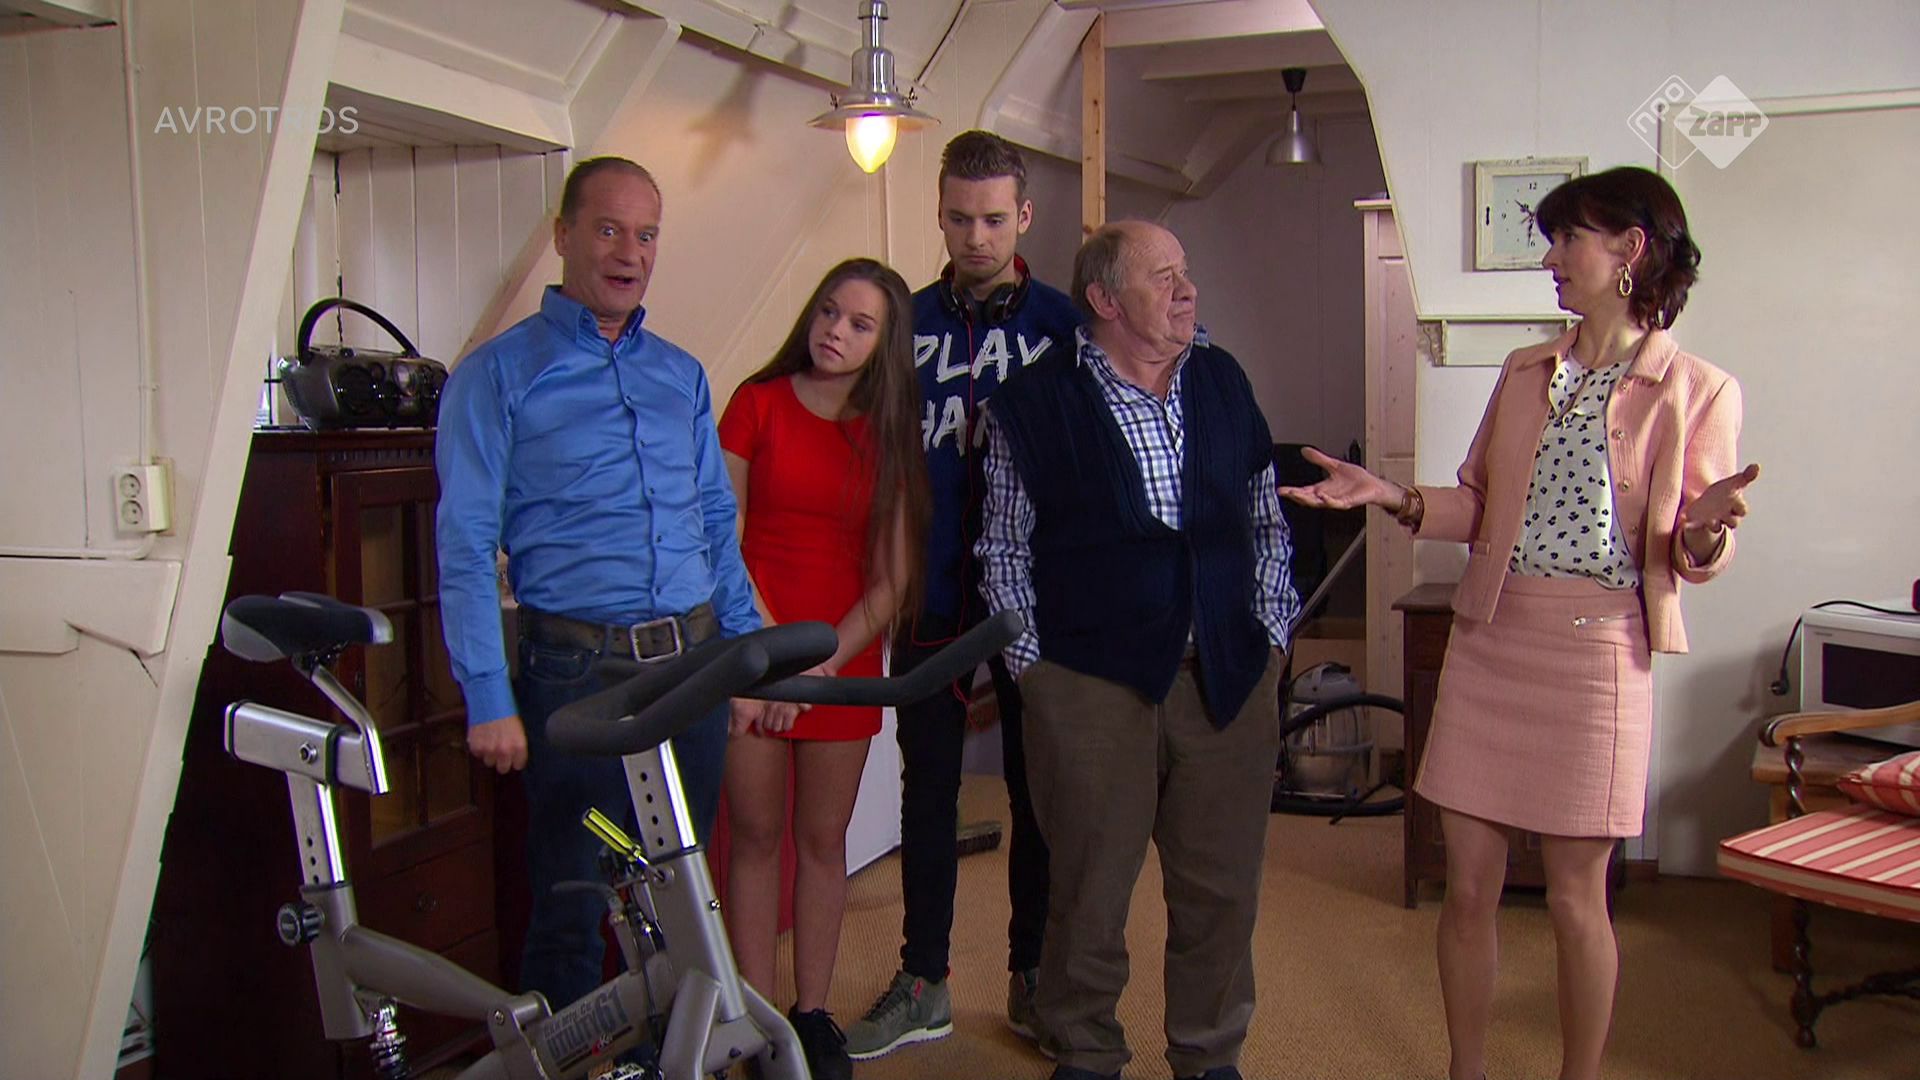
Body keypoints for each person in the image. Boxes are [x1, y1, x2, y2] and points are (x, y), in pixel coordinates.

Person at [1280, 166, 1757, 1080]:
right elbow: (1478, 503)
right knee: (1467, 889)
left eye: (1568, 238)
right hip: (1492, 638)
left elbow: (1696, 546)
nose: (1551, 259)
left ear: (1631, 249)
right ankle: (1466, 1069)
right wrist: (1390, 495)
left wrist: (1702, 530)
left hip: (1598, 655)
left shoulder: (1698, 389)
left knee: (1578, 898)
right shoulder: (1526, 371)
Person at [434, 157, 765, 1015]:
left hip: (694, 664)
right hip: (579, 675)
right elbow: (464, 547)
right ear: (563, 235)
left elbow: (712, 521)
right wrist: (487, 696)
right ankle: (567, 1066)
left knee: (682, 901)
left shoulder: (680, 374)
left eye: (646, 235)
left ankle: (668, 1064)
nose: (630, 253)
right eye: (609, 230)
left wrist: (747, 653)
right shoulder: (496, 375)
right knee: (576, 902)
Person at [978, 219, 1300, 1080]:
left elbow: (1266, 517)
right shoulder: (1033, 404)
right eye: (1164, 277)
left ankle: (1209, 1054)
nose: (1187, 290)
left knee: (1221, 888)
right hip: (1089, 683)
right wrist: (1038, 676)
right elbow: (1003, 551)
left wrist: (1272, 634)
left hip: (1228, 674)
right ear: (1105, 299)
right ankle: (1085, 1048)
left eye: (1185, 272)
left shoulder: (1222, 380)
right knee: (1088, 887)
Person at [845, 130, 1080, 1061]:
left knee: (1038, 789)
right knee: (928, 789)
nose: (975, 237)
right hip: (929, 593)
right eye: (957, 218)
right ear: (938, 216)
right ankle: (923, 980)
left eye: (993, 219)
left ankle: (1033, 975)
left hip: (1038, 599)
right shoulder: (902, 322)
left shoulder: (1065, 325)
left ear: (1024, 216)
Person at [715, 257, 928, 1080]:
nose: (835, 331)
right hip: (754, 654)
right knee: (754, 839)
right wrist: (774, 661)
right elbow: (722, 542)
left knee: (821, 840)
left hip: (843, 664)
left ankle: (809, 1015)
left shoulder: (888, 434)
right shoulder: (756, 403)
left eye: (859, 324)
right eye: (829, 312)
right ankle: (752, 1017)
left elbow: (891, 583)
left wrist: (820, 668)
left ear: (884, 344)